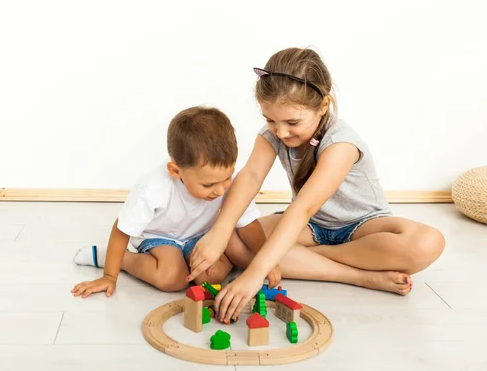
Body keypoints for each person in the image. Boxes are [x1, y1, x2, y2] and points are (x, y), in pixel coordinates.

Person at [187, 47, 446, 323]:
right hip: (311, 229)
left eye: (292, 122)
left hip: (362, 227)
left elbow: (304, 207)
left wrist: (255, 272)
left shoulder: (340, 143)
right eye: (270, 120)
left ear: (323, 106)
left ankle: (311, 258)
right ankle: (358, 275)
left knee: (428, 242)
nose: (281, 131)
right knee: (236, 240)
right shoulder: (272, 134)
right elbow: (250, 177)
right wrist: (220, 230)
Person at [71, 106, 280, 300]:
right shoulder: (153, 188)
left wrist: (266, 260)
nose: (219, 190)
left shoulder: (228, 186)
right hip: (160, 238)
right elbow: (122, 229)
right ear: (176, 171)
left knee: (212, 277)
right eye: (208, 184)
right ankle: (122, 260)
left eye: (227, 178)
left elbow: (249, 223)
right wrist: (109, 276)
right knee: (172, 279)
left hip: (199, 237)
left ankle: (191, 263)